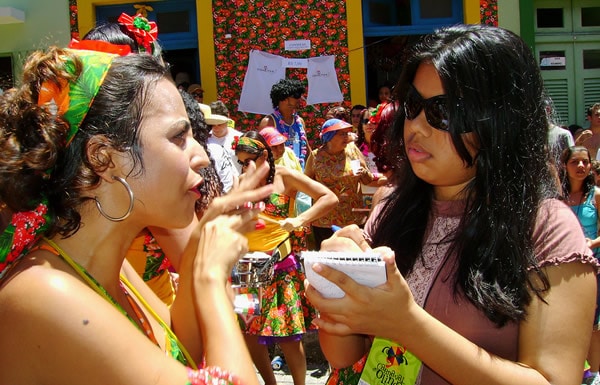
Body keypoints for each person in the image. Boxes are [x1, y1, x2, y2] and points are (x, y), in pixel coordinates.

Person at [304, 24, 598, 385]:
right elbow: (344, 355)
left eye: (442, 111)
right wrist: (336, 282)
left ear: (500, 120)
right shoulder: (392, 208)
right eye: (413, 105)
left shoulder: (546, 228)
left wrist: (407, 324)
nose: (417, 126)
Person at [0, 45, 276, 385]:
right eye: (178, 136)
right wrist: (210, 280)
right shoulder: (46, 293)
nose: (201, 156)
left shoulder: (108, 269)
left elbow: (174, 348)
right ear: (103, 157)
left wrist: (198, 249)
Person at [234, 131, 338, 385]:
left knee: (288, 335)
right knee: (248, 333)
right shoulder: (241, 183)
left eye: (250, 160)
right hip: (248, 270)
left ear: (264, 156)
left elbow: (329, 197)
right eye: (241, 161)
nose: (246, 166)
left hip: (280, 267)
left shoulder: (285, 176)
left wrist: (299, 220)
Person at [304, 119, 382, 248]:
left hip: (352, 219)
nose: (346, 137)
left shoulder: (352, 151)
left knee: (355, 259)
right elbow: (306, 184)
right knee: (327, 261)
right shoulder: (316, 157)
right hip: (324, 221)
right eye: (341, 134)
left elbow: (367, 180)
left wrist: (363, 173)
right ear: (329, 137)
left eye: (347, 133)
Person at [560, 146, 600, 385]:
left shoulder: (596, 196)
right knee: (566, 323)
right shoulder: (556, 196)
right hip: (563, 268)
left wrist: (592, 242)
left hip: (593, 266)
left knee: (592, 324)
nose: (581, 166)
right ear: (565, 165)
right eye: (575, 162)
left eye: (585, 162)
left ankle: (594, 374)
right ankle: (572, 371)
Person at [258, 78, 310, 170]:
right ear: (284, 99)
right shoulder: (268, 122)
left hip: (299, 175)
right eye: (296, 96)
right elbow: (261, 152)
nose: (299, 99)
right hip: (278, 175)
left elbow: (306, 148)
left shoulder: (300, 122)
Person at [204, 103, 241, 191]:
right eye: (213, 124)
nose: (216, 128)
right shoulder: (205, 140)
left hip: (238, 188)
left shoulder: (240, 138)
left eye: (219, 124)